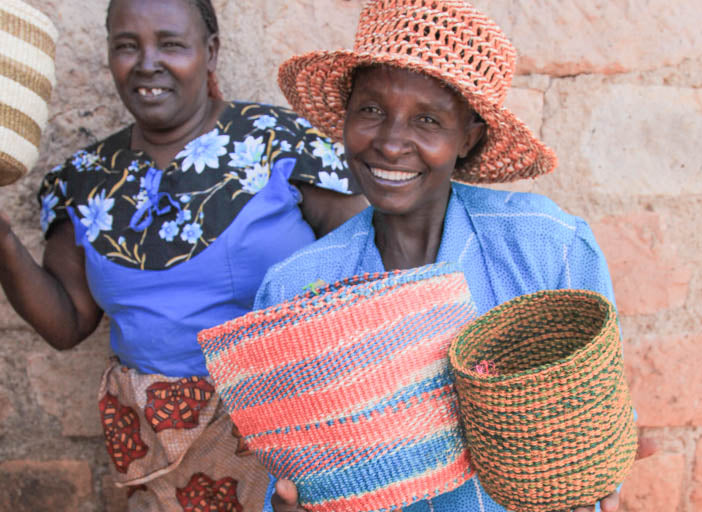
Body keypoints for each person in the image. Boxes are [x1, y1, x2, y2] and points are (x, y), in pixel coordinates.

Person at [248, 0, 655, 510]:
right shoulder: (296, 290)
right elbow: (288, 484)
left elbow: (596, 455)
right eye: (371, 110)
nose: (392, 144)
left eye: (428, 120)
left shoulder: (548, 249)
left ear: (469, 137)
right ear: (347, 116)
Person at [0, 0, 366, 509]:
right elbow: (67, 324)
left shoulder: (278, 146)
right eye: (127, 46)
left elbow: (367, 270)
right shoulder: (83, 181)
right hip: (158, 456)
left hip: (285, 441)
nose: (147, 62)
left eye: (170, 43)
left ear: (210, 51)